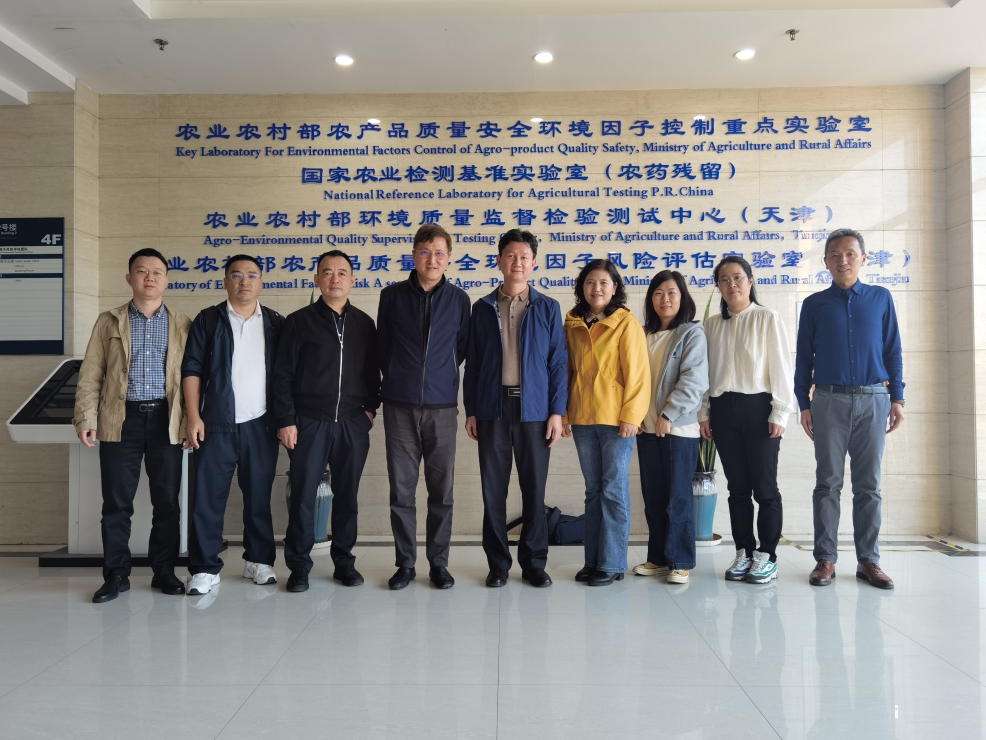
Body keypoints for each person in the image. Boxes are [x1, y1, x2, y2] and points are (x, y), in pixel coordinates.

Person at [74, 248, 191, 603]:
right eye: (141, 271)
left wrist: (190, 420)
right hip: (119, 419)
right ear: (129, 278)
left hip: (166, 421)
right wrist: (86, 417)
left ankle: (164, 571)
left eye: (157, 272)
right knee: (116, 503)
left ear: (167, 281)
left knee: (167, 502)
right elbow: (91, 374)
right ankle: (116, 576)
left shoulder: (183, 323)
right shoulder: (108, 321)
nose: (149, 277)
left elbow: (193, 379)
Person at [796, 228, 904, 590]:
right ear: (825, 262)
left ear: (863, 258)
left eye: (850, 254)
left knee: (868, 485)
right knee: (827, 483)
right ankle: (825, 559)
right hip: (828, 400)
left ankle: (868, 560)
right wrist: (803, 403)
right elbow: (803, 358)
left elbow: (892, 350)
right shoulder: (814, 304)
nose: (842, 260)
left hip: (874, 399)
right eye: (835, 255)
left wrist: (898, 398)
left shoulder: (881, 298)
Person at [464, 229, 568, 589]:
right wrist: (472, 410)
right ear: (499, 261)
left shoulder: (548, 307)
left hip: (535, 410)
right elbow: (473, 364)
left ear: (534, 263)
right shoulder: (482, 308)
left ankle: (534, 563)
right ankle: (497, 565)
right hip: (492, 408)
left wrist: (557, 412)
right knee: (493, 490)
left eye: (524, 257)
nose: (517, 262)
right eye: (510, 255)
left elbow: (558, 363)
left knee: (533, 489)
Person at [272, 250, 380, 592]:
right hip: (309, 423)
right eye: (328, 272)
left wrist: (370, 410)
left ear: (352, 280)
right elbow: (282, 375)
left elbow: (373, 372)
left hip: (352, 424)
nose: (335, 279)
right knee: (303, 496)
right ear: (317, 279)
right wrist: (286, 420)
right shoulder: (298, 321)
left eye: (342, 273)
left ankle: (344, 562)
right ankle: (299, 566)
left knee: (347, 497)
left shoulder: (364, 323)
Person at [181, 255, 284, 596]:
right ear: (225, 281)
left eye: (252, 275)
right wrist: (193, 416)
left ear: (261, 282)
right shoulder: (208, 319)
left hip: (261, 424)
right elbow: (192, 369)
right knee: (208, 499)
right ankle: (204, 568)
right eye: (236, 275)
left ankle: (259, 561)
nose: (244, 281)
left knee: (258, 497)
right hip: (216, 424)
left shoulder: (275, 323)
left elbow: (286, 375)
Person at [378, 223, 470, 590]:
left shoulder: (460, 300)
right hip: (399, 405)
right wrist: (400, 377)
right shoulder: (392, 296)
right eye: (425, 252)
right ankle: (405, 564)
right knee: (401, 491)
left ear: (449, 258)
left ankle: (439, 564)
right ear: (414, 255)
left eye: (439, 253)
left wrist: (438, 376)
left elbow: (460, 349)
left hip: (442, 407)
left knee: (441, 491)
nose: (432, 259)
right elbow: (383, 347)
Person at [699, 256, 796, 585]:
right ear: (718, 286)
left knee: (765, 488)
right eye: (724, 280)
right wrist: (704, 413)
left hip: (759, 409)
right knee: (737, 488)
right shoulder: (712, 325)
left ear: (750, 281)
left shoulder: (767, 317)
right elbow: (706, 374)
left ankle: (767, 555)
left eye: (737, 277)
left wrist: (780, 412)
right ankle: (744, 550)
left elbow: (781, 367)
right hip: (723, 410)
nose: (731, 284)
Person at [562, 259, 650, 587]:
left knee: (613, 489)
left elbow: (638, 375)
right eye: (590, 282)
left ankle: (612, 563)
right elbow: (565, 371)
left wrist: (632, 416)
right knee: (593, 490)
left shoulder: (626, 323)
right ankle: (593, 560)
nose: (596, 288)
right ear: (581, 288)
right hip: (583, 418)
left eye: (603, 283)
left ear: (615, 288)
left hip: (616, 420)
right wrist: (565, 414)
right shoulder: (572, 322)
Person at [633, 271, 709, 585]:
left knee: (677, 498)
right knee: (653, 497)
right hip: (646, 429)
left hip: (678, 430)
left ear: (682, 297)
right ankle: (658, 558)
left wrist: (669, 413)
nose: (665, 299)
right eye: (658, 293)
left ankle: (681, 560)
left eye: (672, 293)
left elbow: (694, 379)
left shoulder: (691, 333)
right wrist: (635, 415)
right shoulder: (643, 334)